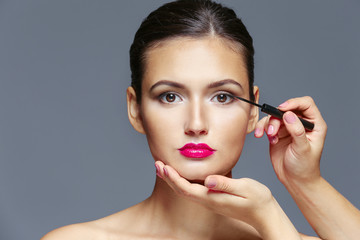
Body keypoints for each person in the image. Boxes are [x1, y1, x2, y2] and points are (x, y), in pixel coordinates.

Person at [41, 0, 360, 239]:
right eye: (170, 96)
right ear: (135, 109)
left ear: (253, 111)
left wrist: (303, 183)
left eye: (222, 96)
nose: (196, 124)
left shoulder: (280, 231)